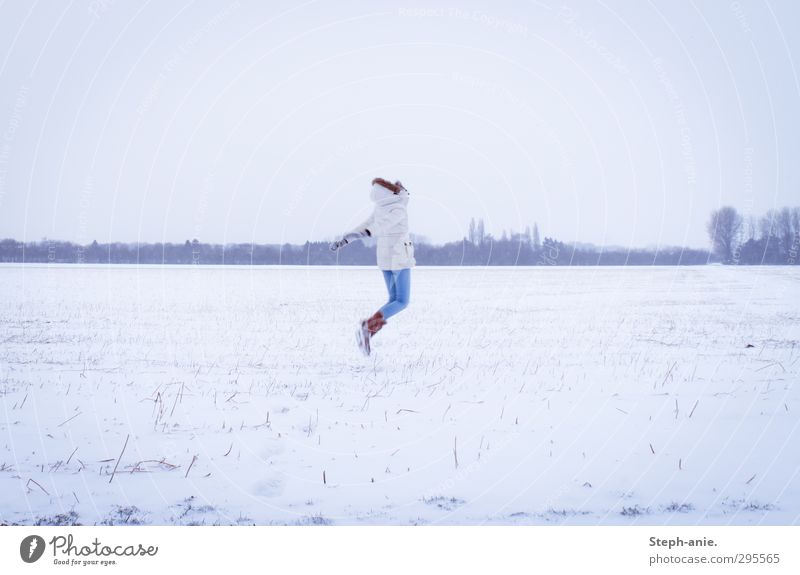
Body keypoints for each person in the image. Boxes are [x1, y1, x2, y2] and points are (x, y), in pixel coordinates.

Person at [330, 177, 416, 355]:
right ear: (393, 191)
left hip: (385, 258)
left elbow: (369, 224)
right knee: (402, 301)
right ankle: (368, 328)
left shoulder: (380, 208)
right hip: (399, 257)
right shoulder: (398, 207)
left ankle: (368, 331)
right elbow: (380, 226)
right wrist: (366, 232)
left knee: (393, 300)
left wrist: (348, 237)